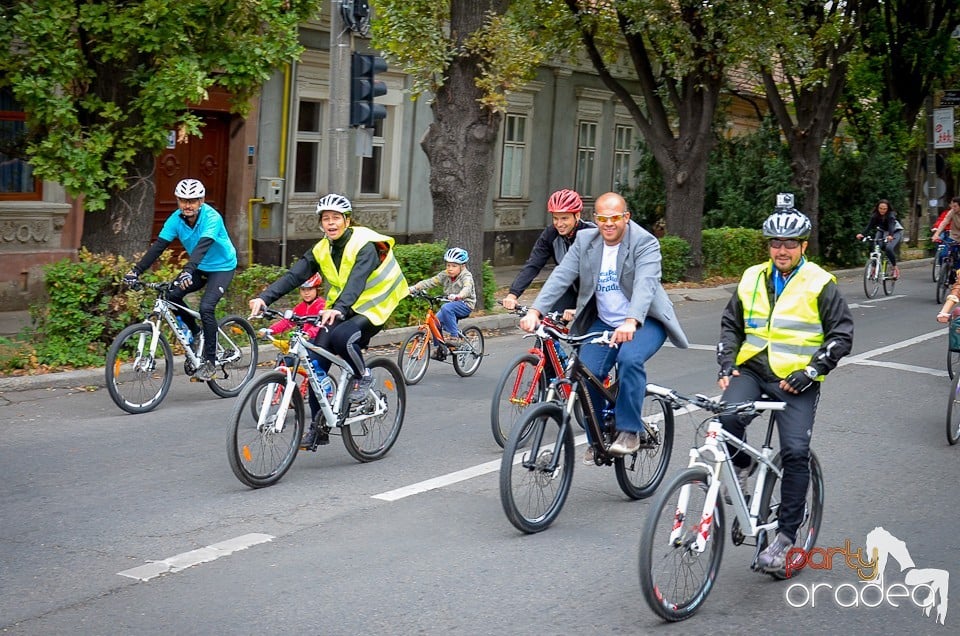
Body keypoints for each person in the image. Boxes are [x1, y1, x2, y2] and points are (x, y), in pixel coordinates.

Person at [717, 198, 853, 576]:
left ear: (804, 246)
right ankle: (742, 467)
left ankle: (785, 537)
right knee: (725, 419)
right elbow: (732, 324)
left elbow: (842, 336)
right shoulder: (751, 277)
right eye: (775, 242)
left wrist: (811, 371)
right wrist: (727, 361)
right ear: (768, 245)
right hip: (755, 370)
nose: (782, 249)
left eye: (790, 243)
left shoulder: (820, 283)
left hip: (797, 382)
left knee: (794, 451)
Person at [518, 191, 689, 462]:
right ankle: (597, 437)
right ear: (595, 219)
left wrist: (632, 321)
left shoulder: (644, 242)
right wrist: (536, 310)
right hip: (605, 321)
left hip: (644, 322)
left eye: (615, 218)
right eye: (602, 218)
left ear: (626, 217)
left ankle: (630, 431)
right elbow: (561, 276)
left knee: (630, 359)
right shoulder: (587, 240)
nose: (608, 224)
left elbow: (645, 285)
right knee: (586, 374)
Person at [248, 193, 408, 448]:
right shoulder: (322, 248)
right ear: (320, 223)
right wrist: (264, 298)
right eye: (326, 219)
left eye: (336, 218)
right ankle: (318, 428)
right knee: (315, 364)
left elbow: (357, 279)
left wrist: (340, 308)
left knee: (342, 337)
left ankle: (362, 376)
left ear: (347, 220)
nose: (331, 223)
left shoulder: (364, 243)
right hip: (342, 305)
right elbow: (294, 276)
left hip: (376, 302)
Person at [124, 178, 237, 381]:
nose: (187, 205)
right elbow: (158, 247)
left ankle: (210, 361)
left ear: (201, 201)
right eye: (183, 200)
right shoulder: (175, 219)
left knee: (206, 308)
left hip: (222, 267)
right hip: (199, 267)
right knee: (171, 295)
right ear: (178, 201)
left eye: (192, 200)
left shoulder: (212, 218)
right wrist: (136, 270)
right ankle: (196, 334)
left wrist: (187, 270)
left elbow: (203, 245)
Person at [501, 189, 595, 320]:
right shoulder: (550, 235)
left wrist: (584, 307)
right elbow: (533, 265)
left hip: (593, 294)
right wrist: (513, 294)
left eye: (564, 218)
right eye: (555, 218)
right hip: (567, 289)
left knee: (585, 335)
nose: (559, 224)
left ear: (577, 215)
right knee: (546, 327)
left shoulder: (592, 234)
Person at [257, 273, 327, 420]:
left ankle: (322, 390)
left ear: (317, 290)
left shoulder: (322, 305)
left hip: (314, 341)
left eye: (310, 289)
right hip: (299, 342)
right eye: (303, 290)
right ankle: (288, 390)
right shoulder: (300, 307)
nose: (306, 293)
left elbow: (321, 325)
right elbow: (287, 322)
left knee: (315, 367)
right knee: (285, 362)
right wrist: (270, 330)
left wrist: (310, 333)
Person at [408, 247, 476, 349]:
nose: (450, 268)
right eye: (448, 265)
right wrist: (414, 288)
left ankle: (455, 337)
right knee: (434, 323)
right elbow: (431, 281)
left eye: (454, 266)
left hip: (465, 304)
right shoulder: (445, 274)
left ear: (462, 266)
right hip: (451, 304)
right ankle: (440, 349)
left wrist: (459, 296)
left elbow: (467, 288)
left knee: (446, 308)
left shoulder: (466, 276)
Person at [856, 199, 904, 279]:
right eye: (880, 208)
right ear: (877, 208)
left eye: (885, 209)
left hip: (895, 232)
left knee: (889, 248)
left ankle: (895, 268)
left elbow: (891, 226)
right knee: (876, 246)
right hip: (882, 231)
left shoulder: (890, 215)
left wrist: (890, 235)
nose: (882, 210)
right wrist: (862, 234)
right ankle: (874, 268)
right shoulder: (875, 215)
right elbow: (869, 226)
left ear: (888, 209)